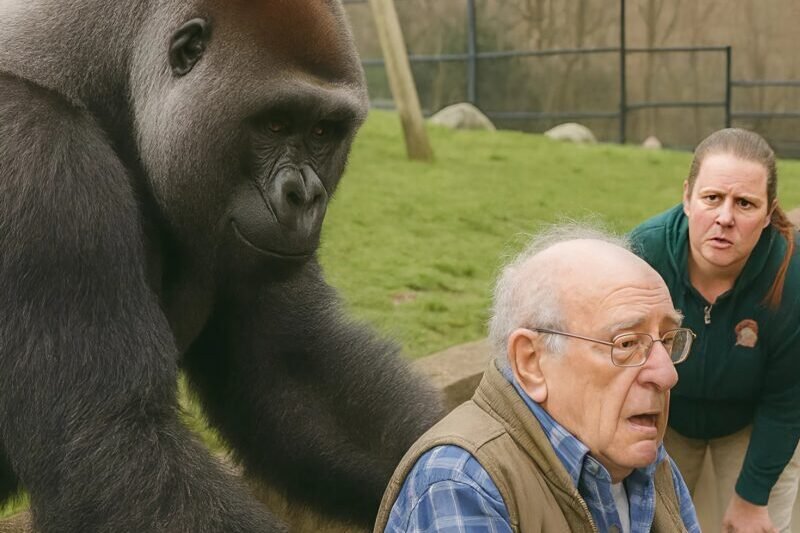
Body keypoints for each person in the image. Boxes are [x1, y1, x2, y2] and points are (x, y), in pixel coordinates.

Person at [374, 225, 701, 532]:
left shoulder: (645, 461)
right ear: (531, 361)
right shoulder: (462, 482)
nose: (666, 373)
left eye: (668, 340)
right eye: (627, 344)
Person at [629, 128, 800, 533]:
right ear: (687, 197)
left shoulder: (791, 275)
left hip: (752, 422)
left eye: (745, 203)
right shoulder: (643, 254)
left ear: (768, 212)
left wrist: (752, 498)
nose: (725, 217)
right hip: (662, 416)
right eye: (712, 198)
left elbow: (788, 399)